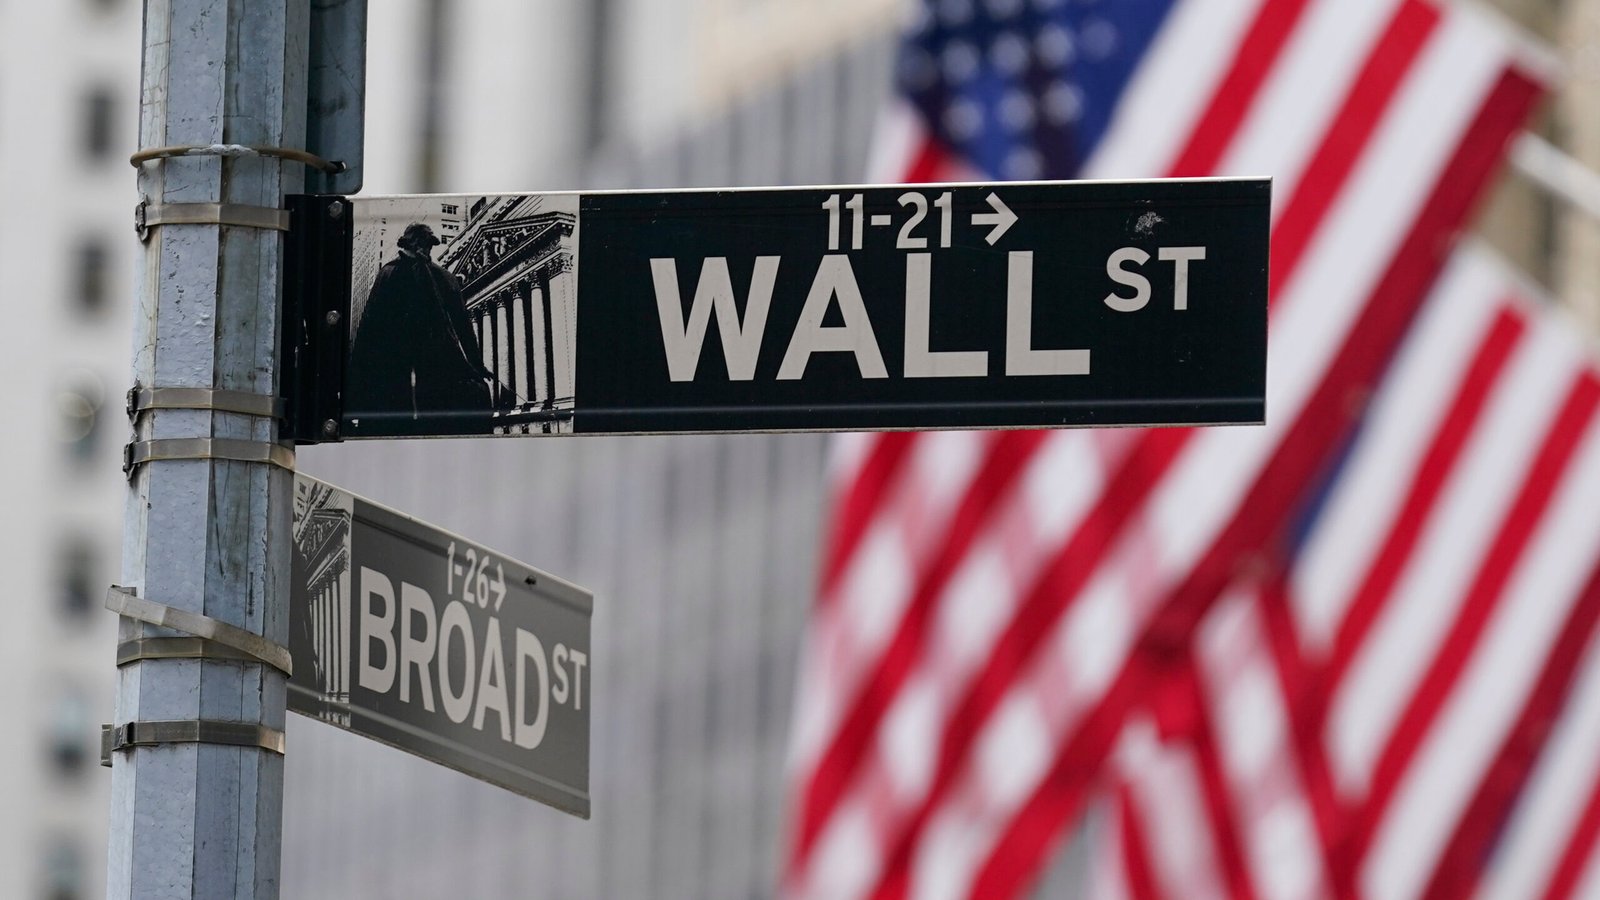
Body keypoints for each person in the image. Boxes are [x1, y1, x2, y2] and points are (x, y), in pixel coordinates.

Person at [346, 223, 497, 431]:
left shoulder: (437, 277)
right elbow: (369, 329)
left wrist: (477, 364)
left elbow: (463, 327)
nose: (426, 250)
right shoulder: (393, 274)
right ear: (414, 244)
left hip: (423, 367)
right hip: (405, 368)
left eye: (428, 245)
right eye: (424, 244)